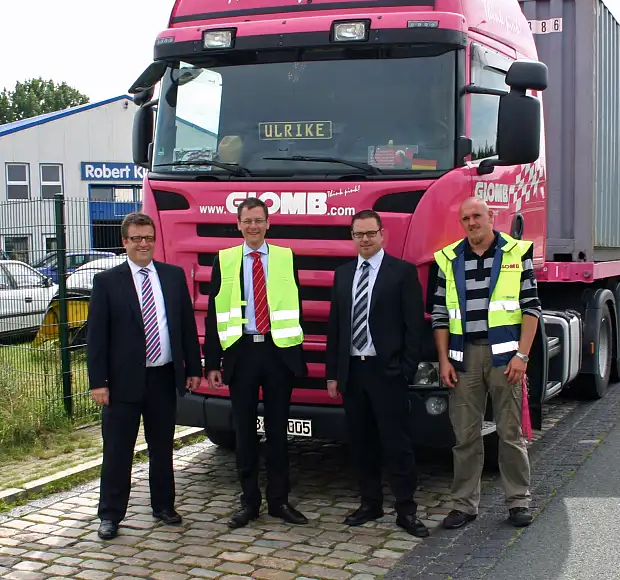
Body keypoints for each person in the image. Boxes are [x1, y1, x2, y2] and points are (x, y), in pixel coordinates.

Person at [86, 212, 202, 541]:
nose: (143, 244)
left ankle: (163, 506)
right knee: (118, 451)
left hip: (163, 378)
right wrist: (98, 382)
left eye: (148, 237)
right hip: (122, 383)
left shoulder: (173, 276)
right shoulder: (108, 282)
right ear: (124, 242)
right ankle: (110, 515)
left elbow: (185, 328)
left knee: (162, 448)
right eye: (136, 238)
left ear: (155, 240)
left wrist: (193, 368)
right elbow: (97, 337)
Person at [432, 197, 542, 529]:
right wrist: (443, 361)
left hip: (505, 358)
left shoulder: (516, 253)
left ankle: (518, 501)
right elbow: (439, 315)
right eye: (465, 218)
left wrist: (522, 355)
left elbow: (531, 308)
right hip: (463, 359)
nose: (471, 222)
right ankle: (464, 505)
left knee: (510, 433)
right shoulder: (449, 259)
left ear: (491, 216)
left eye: (477, 215)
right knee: (465, 435)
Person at [203, 197, 309, 529]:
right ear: (238, 224)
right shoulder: (225, 259)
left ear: (268, 223)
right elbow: (213, 313)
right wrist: (213, 362)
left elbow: (295, 305)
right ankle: (249, 502)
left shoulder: (285, 257)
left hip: (278, 354)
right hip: (241, 353)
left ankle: (279, 501)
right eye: (247, 220)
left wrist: (295, 353)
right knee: (245, 433)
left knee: (278, 432)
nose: (253, 226)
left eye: (258, 220)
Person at [325, 209, 429, 538]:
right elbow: (336, 328)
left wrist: (405, 371)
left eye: (371, 233)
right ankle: (370, 503)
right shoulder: (343, 275)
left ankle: (406, 509)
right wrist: (332, 373)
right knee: (361, 441)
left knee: (396, 443)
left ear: (382, 234)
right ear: (352, 238)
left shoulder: (402, 272)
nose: (365, 239)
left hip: (388, 372)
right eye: (359, 234)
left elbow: (415, 328)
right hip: (353, 372)